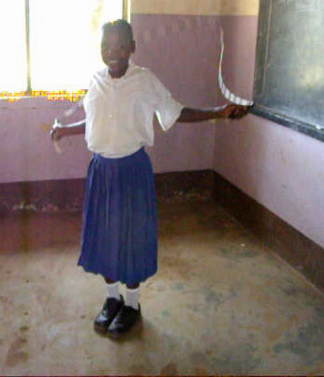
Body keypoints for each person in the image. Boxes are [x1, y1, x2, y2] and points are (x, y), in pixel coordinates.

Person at [50, 19, 249, 339]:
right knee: (104, 237)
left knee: (130, 239)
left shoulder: (145, 81)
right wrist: (65, 130)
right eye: (105, 47)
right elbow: (93, 119)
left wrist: (218, 112)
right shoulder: (96, 79)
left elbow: (175, 112)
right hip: (101, 172)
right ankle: (112, 298)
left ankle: (132, 305)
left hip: (131, 171)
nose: (112, 53)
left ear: (132, 48)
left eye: (119, 46)